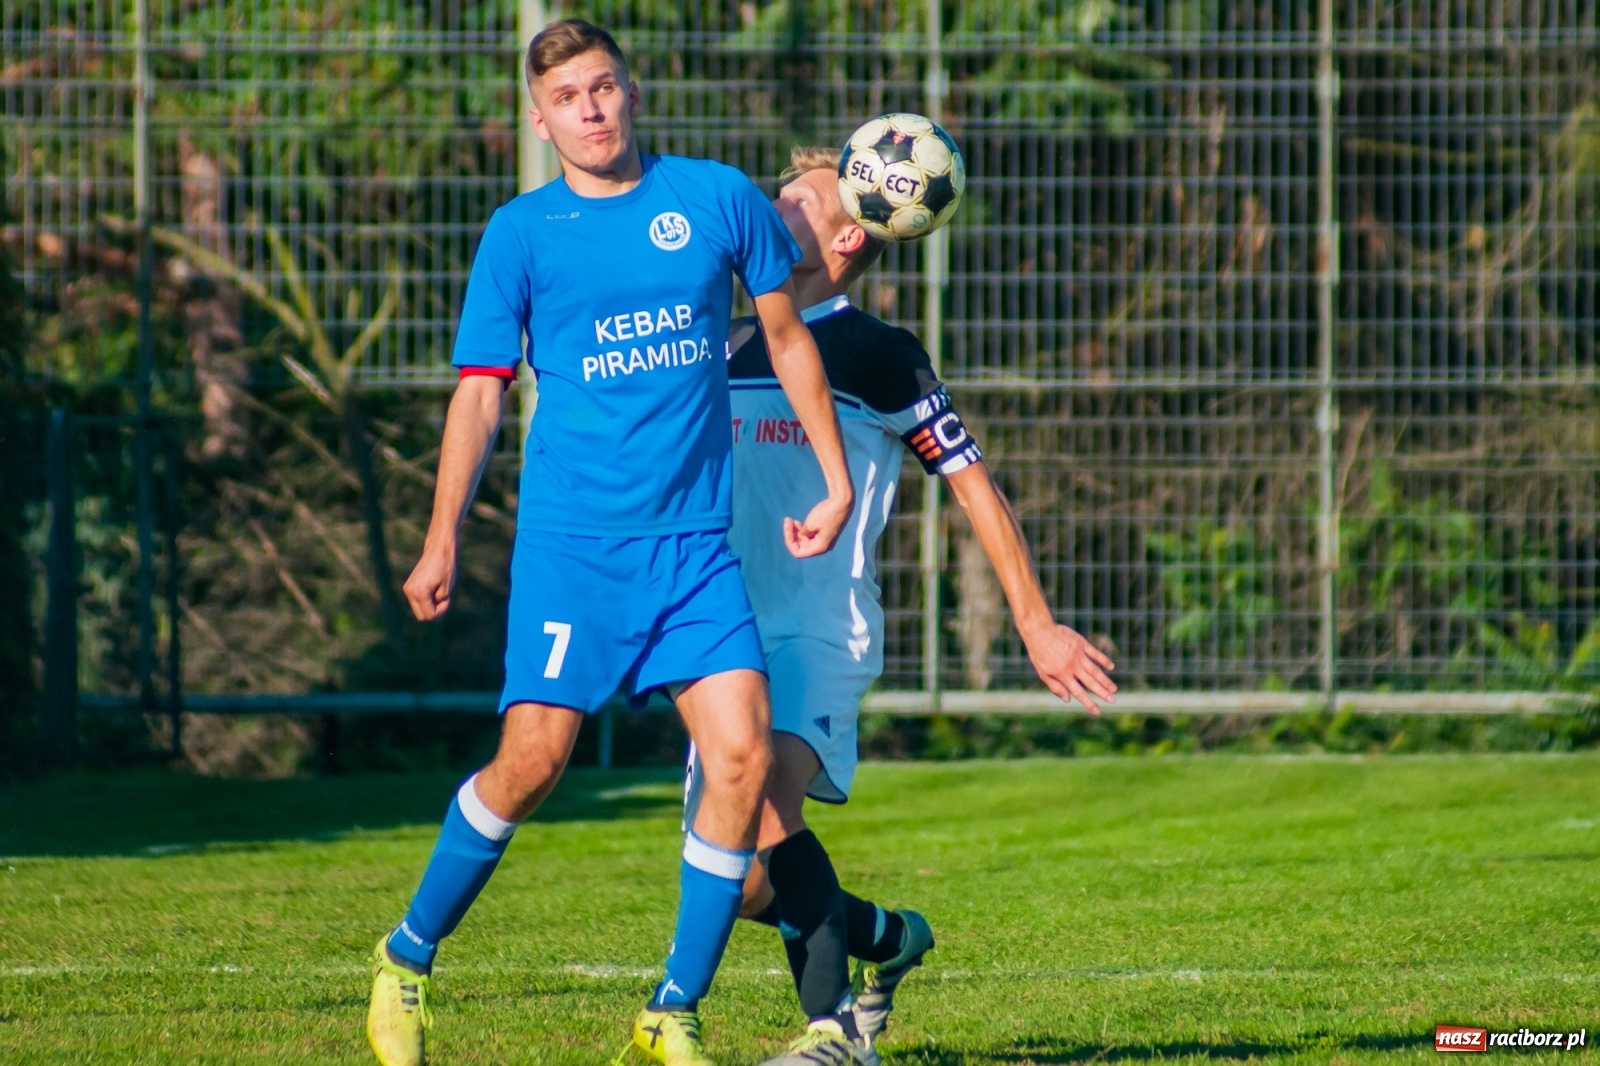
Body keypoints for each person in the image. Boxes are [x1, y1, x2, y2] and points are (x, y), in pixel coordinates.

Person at [364, 25, 855, 1066]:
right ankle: (406, 958)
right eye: (566, 99)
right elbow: (480, 395)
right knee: (532, 765)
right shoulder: (521, 234)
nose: (590, 110)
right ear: (539, 122)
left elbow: (785, 338)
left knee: (739, 755)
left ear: (632, 93)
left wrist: (836, 476)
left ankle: (671, 1008)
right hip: (572, 554)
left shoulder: (717, 198)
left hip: (692, 552)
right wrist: (440, 534)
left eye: (603, 88)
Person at [685, 146, 1118, 1065]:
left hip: (817, 630)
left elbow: (974, 487)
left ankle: (836, 1037)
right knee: (738, 882)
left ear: (847, 234)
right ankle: (886, 936)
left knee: (765, 803)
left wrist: (1036, 623)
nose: (770, 208)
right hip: (720, 633)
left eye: (792, 202)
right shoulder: (718, 341)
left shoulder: (878, 355)